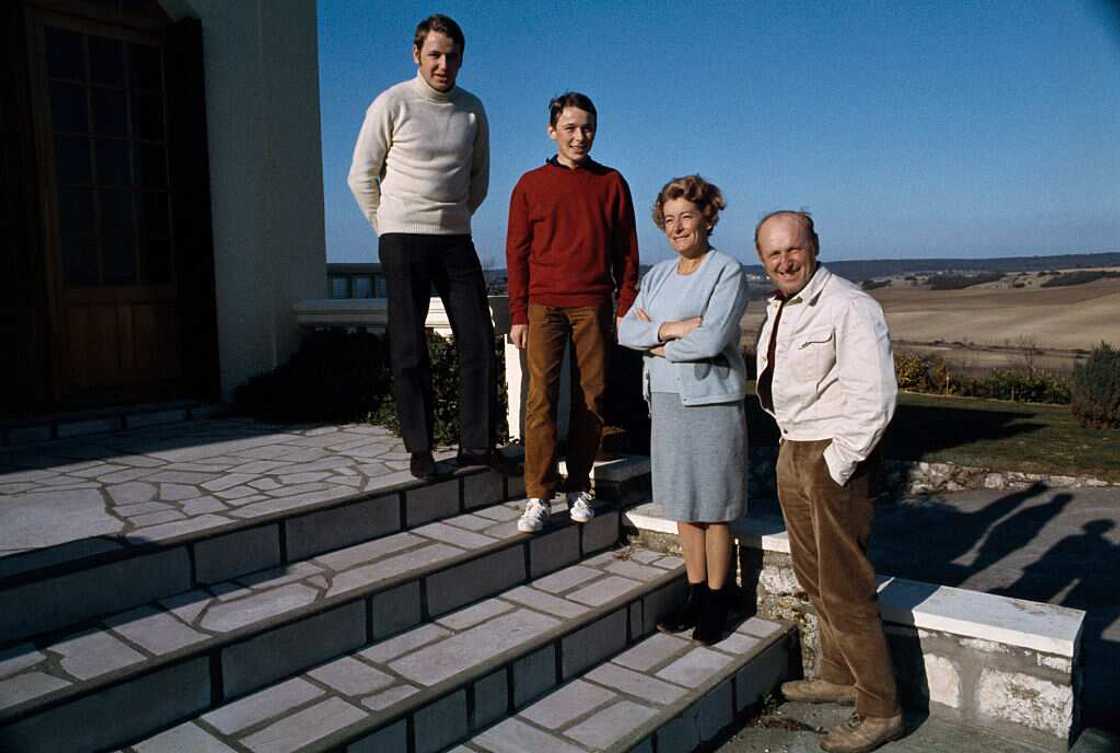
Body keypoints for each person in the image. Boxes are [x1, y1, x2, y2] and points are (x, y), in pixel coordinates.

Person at [754, 211, 903, 753]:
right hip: (793, 446)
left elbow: (876, 399)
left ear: (814, 246)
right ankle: (838, 675)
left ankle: (881, 708)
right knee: (815, 579)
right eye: (773, 254)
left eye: (793, 249)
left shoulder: (850, 305)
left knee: (846, 586)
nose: (784, 261)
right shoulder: (783, 305)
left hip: (834, 455)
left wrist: (837, 464)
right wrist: (794, 454)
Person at [348, 14, 505, 481]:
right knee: (409, 346)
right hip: (401, 239)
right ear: (416, 54)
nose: (443, 63)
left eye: (452, 56)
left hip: (456, 238)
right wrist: (387, 225)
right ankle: (421, 448)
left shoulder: (472, 109)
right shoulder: (392, 102)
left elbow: (479, 180)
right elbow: (361, 175)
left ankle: (478, 445)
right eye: (434, 54)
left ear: (461, 59)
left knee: (477, 340)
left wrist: (453, 217)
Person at [618, 175, 749, 644]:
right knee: (682, 501)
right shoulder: (656, 277)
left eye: (686, 217)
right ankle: (695, 591)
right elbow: (624, 331)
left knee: (714, 504)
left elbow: (713, 338)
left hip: (711, 400)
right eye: (669, 219)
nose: (677, 227)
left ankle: (719, 598)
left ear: (707, 218)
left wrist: (656, 343)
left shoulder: (727, 272)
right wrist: (673, 329)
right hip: (668, 400)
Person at [506, 92, 640, 533]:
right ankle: (537, 495)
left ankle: (579, 485)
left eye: (587, 128)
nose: (579, 136)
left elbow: (627, 252)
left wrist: (624, 305)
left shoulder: (612, 183)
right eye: (570, 128)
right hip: (544, 304)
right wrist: (519, 313)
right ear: (553, 131)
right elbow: (517, 253)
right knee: (540, 398)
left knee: (592, 396)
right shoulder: (530, 184)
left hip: (594, 303)